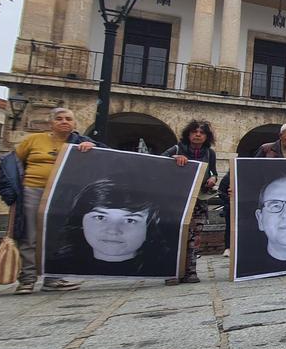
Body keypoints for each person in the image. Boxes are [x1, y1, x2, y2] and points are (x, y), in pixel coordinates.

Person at [11, 107, 100, 294]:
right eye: (59, 118)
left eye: (68, 118)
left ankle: (53, 278)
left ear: (75, 123)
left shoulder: (80, 141)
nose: (64, 121)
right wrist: (12, 190)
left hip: (62, 192)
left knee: (57, 235)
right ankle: (27, 279)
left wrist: (92, 148)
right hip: (33, 189)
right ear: (51, 123)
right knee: (30, 234)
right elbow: (12, 163)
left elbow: (104, 154)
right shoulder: (34, 140)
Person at [44, 178, 170, 276]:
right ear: (81, 219)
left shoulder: (166, 266)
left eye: (130, 220)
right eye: (101, 218)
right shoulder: (58, 266)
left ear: (151, 224)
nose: (113, 231)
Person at [163, 120, 220, 284]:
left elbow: (213, 172)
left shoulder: (210, 153)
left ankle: (191, 271)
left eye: (202, 133)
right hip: (177, 201)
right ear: (188, 134)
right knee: (175, 236)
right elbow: (158, 162)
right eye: (194, 132)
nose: (198, 135)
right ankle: (172, 272)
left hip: (199, 201)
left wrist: (212, 178)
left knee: (195, 238)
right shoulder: (176, 149)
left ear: (206, 137)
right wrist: (174, 158)